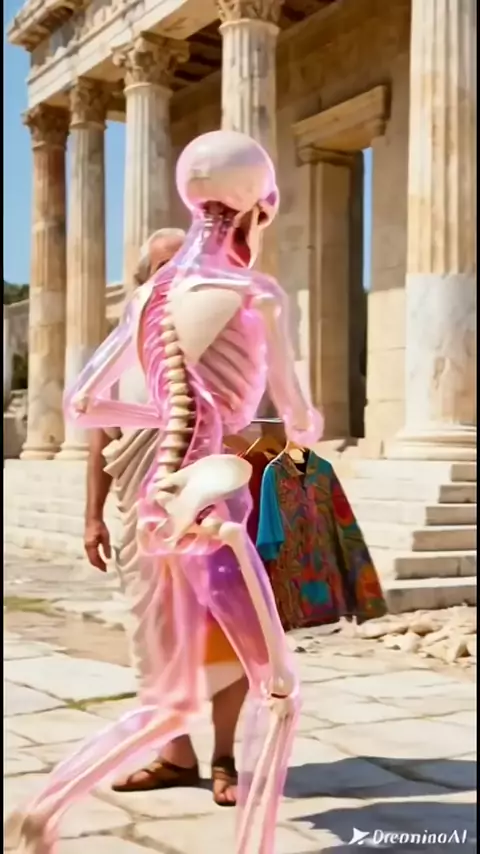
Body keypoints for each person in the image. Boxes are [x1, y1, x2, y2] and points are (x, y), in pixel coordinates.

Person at [84, 228, 246, 805]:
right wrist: (92, 516)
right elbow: (101, 438)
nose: (178, 273)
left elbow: (252, 424)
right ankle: (175, 753)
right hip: (138, 512)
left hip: (209, 507)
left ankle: (225, 757)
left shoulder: (223, 338)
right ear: (142, 284)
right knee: (151, 635)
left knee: (227, 630)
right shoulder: (118, 352)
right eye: (163, 266)